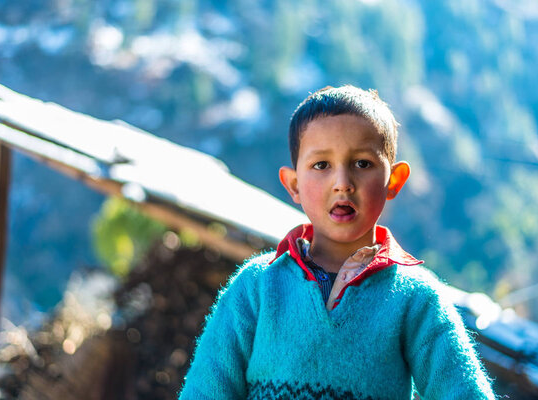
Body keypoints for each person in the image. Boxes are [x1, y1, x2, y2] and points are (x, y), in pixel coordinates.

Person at [179, 85, 495, 399]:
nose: (342, 184)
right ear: (294, 184)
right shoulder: (257, 287)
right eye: (321, 165)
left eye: (362, 163)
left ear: (393, 181)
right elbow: (205, 392)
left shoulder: (416, 300)